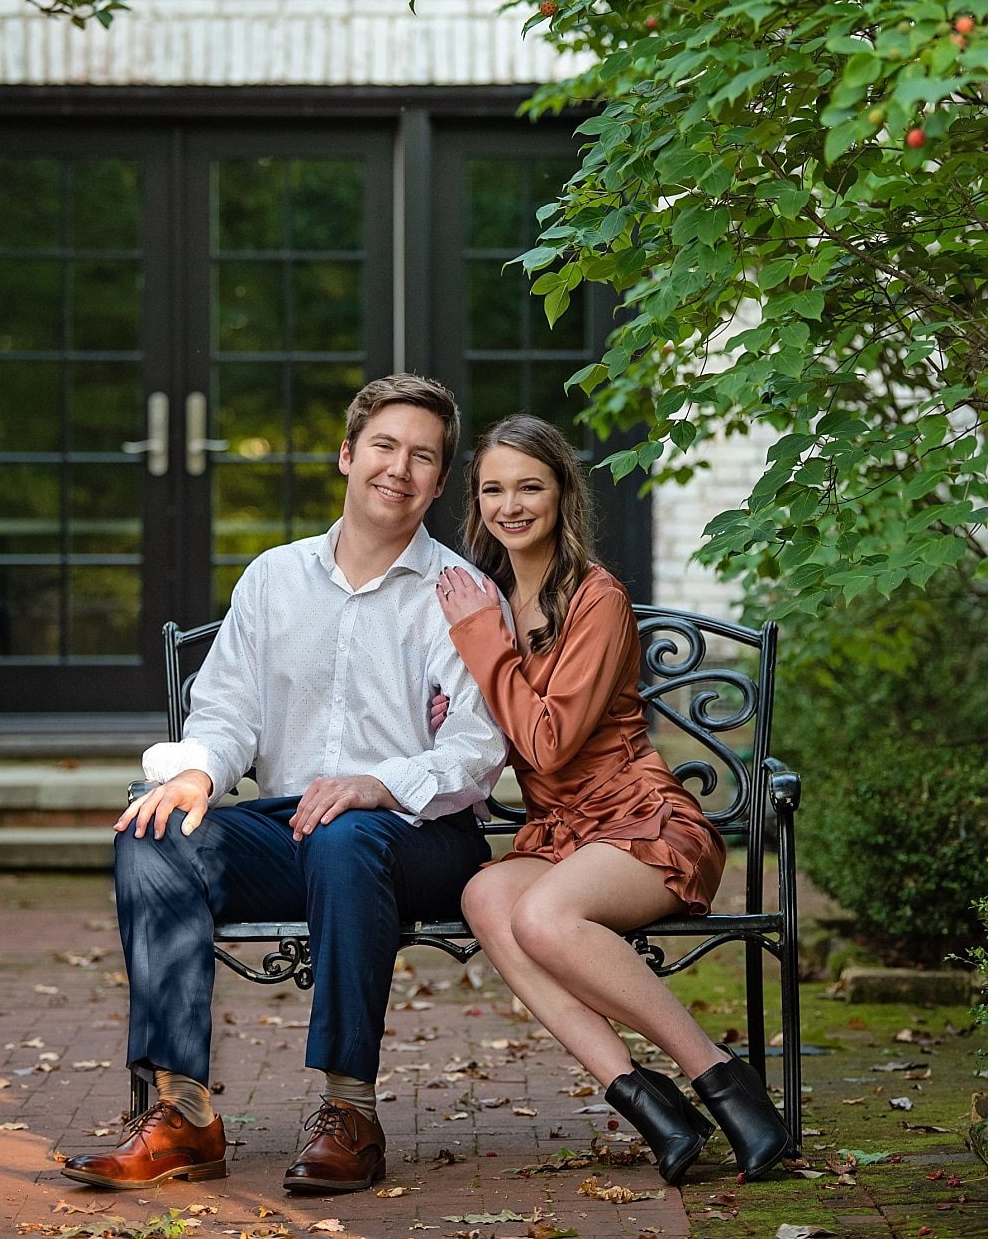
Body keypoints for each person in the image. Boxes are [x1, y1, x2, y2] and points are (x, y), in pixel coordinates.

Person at [62, 374, 507, 1197]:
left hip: (421, 834)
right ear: (347, 455)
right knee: (155, 832)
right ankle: (183, 1113)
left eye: (422, 457)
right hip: (295, 824)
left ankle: (350, 1112)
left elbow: (479, 747)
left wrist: (376, 784)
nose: (398, 469)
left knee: (345, 833)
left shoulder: (462, 595)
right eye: (383, 446)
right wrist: (197, 770)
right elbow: (228, 707)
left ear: (440, 482)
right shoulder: (273, 578)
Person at [434, 413, 794, 1183]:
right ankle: (650, 1105)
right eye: (494, 488)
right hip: (562, 836)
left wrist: (479, 643)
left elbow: (547, 742)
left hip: (644, 822)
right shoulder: (488, 601)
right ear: (477, 501)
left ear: (564, 493)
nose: (512, 504)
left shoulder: (594, 596)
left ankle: (724, 1081)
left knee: (542, 914)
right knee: (486, 896)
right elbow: (484, 717)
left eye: (530, 485)